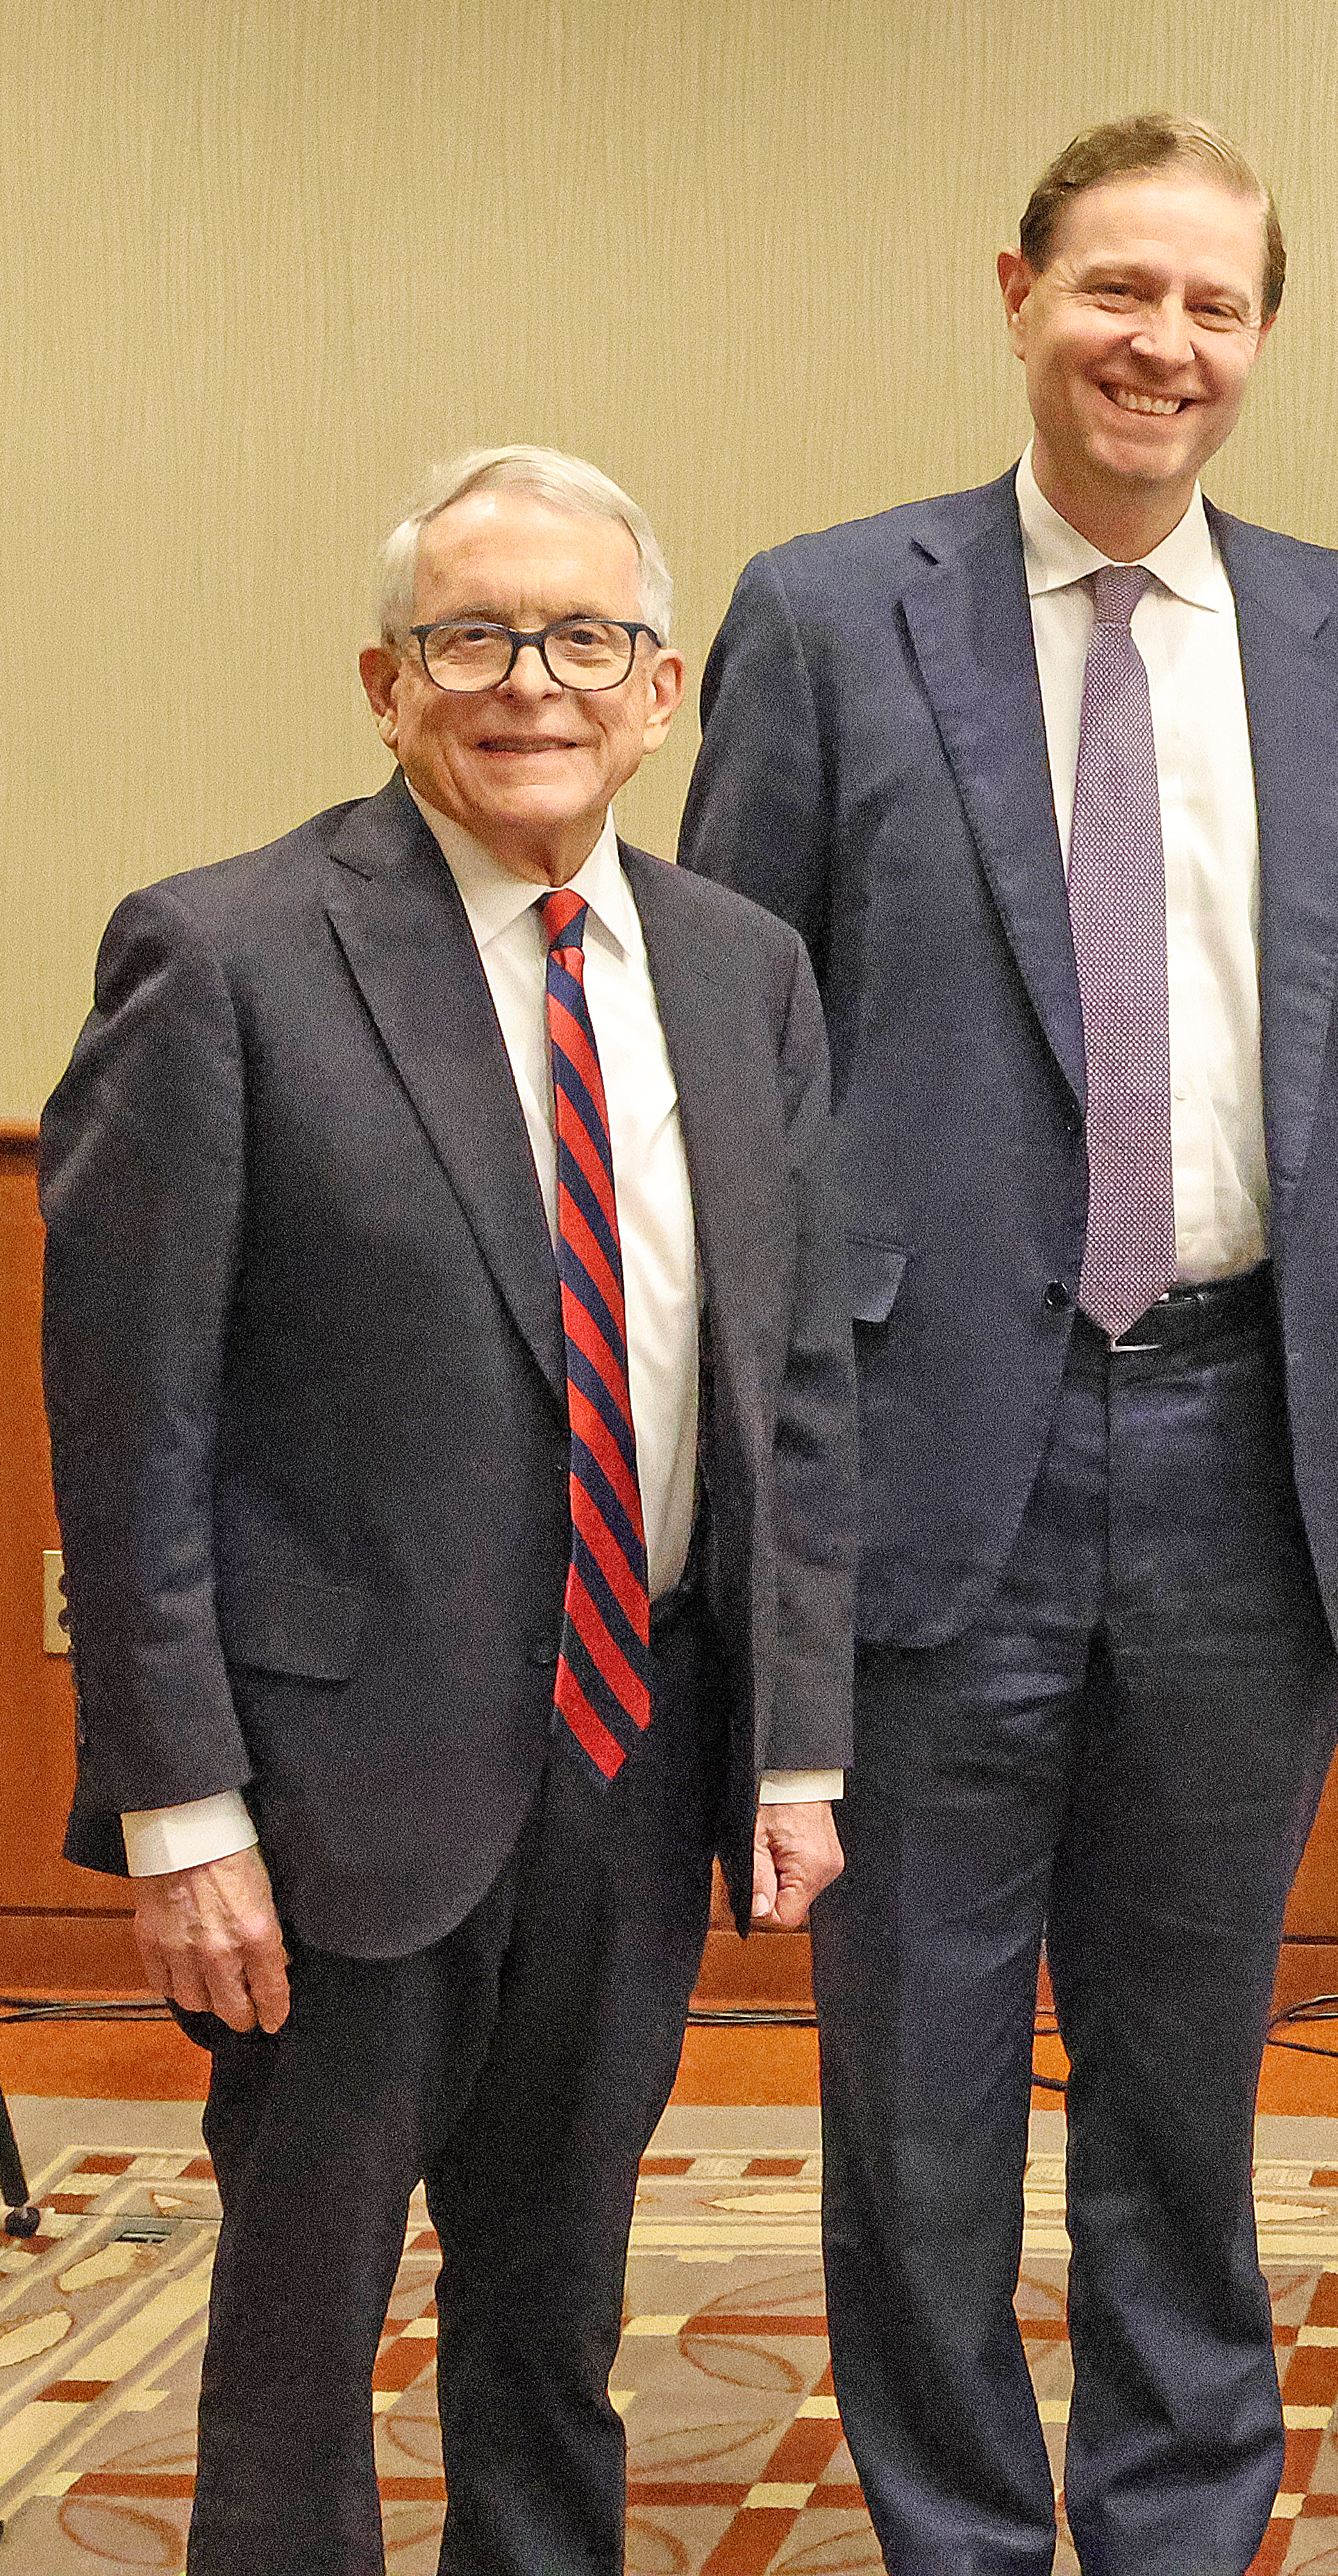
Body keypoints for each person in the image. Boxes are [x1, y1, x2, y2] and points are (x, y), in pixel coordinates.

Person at [678, 111, 1338, 2574]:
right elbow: (739, 1053)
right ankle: (950, 2528)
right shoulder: (833, 618)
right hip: (932, 1450)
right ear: (1019, 289)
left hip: (1257, 1450)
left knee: (1186, 2077)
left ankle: (1174, 2521)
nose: (1164, 342)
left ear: (1264, 337)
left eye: (1217, 304)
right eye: (1117, 289)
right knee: (917, 2081)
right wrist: (756, 1470)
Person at [42, 447, 851, 2573]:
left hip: (637, 1750)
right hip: (325, 1796)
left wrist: (798, 1729)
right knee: (300, 2331)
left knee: (553, 2306)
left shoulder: (745, 970)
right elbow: (129, 1426)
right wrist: (178, 1808)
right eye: (473, 636)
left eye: (583, 637)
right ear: (386, 683)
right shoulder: (221, 955)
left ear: (660, 686)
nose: (531, 683)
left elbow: (793, 1382)